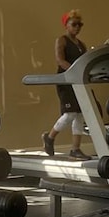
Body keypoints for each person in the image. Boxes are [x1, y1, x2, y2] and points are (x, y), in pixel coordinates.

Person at [41, 9, 90, 160]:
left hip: (77, 80)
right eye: (74, 24)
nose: (77, 27)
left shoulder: (81, 44)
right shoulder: (62, 40)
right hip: (65, 80)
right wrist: (74, 71)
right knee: (70, 114)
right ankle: (49, 137)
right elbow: (60, 60)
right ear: (66, 25)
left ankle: (75, 148)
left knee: (80, 115)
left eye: (79, 24)